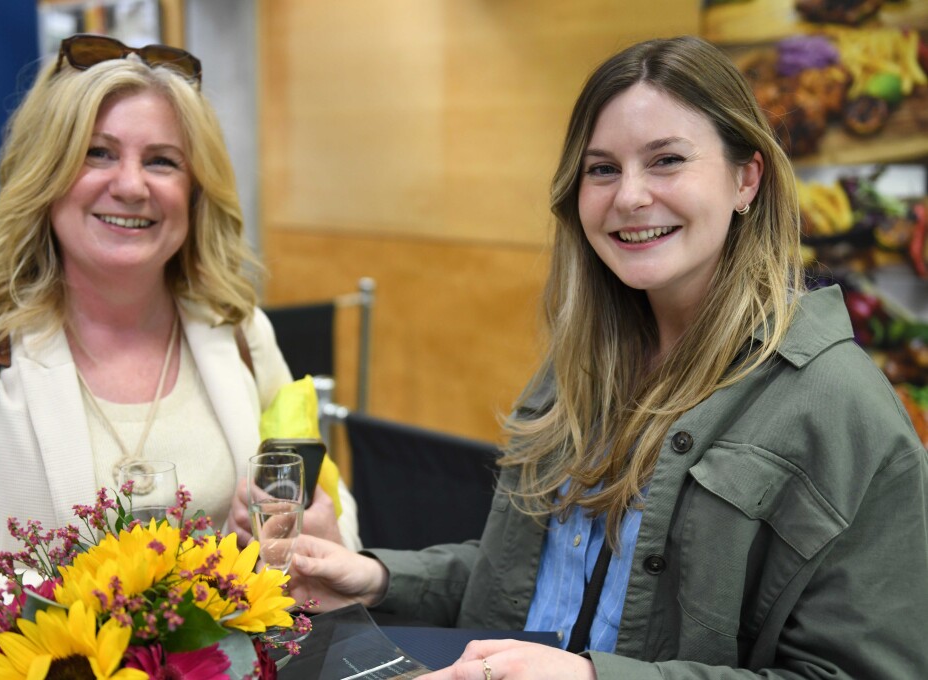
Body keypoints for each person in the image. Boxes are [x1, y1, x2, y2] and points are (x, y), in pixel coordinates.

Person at [286, 35, 928, 679]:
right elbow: (536, 587)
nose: (629, 197)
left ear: (746, 178)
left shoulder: (842, 406)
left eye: (667, 160)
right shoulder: (577, 369)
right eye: (602, 169)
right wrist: (375, 576)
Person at [0, 34, 359, 662]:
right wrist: (79, 618)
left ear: (197, 191)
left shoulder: (239, 332)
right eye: (97, 153)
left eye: (163, 161)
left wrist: (301, 540)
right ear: (46, 174)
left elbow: (324, 508)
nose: (131, 185)